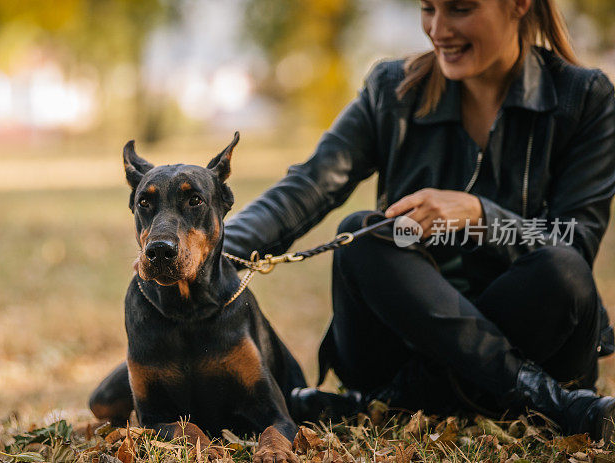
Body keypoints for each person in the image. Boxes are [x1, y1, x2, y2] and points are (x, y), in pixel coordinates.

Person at [223, 0, 615, 439]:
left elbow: (574, 242)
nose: (438, 29)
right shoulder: (393, 90)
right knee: (361, 233)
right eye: (428, 8)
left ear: (520, 4)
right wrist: (208, 248)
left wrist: (481, 216)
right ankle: (546, 400)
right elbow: (308, 185)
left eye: (460, 9)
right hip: (398, 341)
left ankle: (391, 402)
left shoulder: (585, 98)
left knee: (561, 269)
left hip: (532, 332)